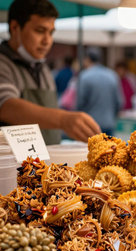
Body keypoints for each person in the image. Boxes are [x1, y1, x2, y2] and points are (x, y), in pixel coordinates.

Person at [0, 0, 100, 145]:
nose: (47, 41)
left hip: (50, 163)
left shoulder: (43, 69)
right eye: (39, 31)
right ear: (15, 27)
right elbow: (6, 106)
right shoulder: (3, 63)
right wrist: (62, 119)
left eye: (51, 32)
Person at [77, 48, 121, 136]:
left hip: (90, 125)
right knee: (110, 149)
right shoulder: (112, 75)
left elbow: (80, 103)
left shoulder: (84, 76)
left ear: (87, 59)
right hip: (109, 123)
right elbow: (119, 102)